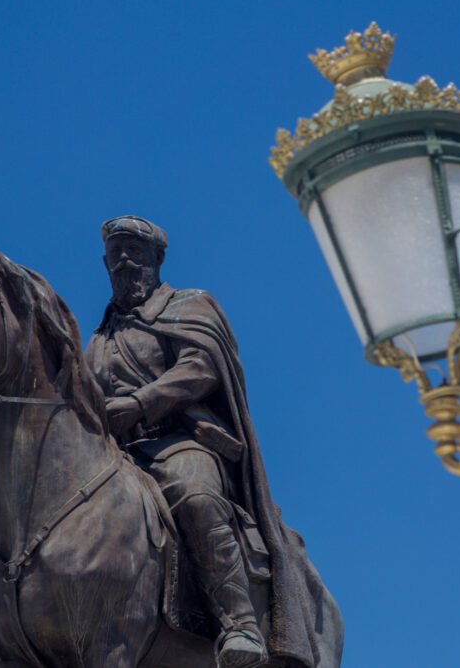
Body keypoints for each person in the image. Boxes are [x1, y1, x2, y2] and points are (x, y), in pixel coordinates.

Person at [84, 215, 323, 668]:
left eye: (134, 250)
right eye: (115, 253)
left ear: (157, 257)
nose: (124, 261)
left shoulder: (189, 305)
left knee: (195, 497)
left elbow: (200, 367)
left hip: (178, 442)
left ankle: (240, 625)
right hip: (117, 455)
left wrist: (141, 401)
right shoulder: (98, 339)